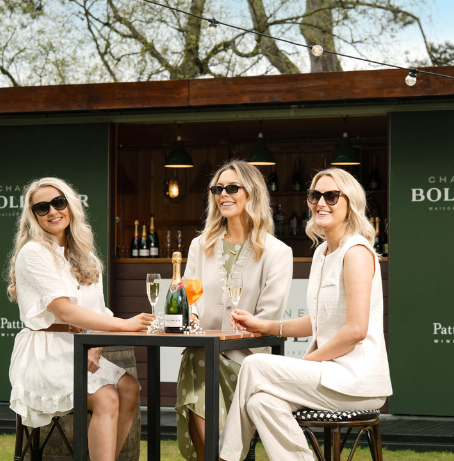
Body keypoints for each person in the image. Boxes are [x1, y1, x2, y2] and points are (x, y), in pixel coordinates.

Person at [219, 167, 392, 461]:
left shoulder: (357, 252)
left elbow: (356, 331)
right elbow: (319, 321)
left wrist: (308, 362)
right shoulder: (322, 252)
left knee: (254, 365)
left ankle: (225, 457)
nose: (321, 202)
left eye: (331, 196)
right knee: (261, 402)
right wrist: (263, 324)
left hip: (357, 380)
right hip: (330, 376)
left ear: (350, 203)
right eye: (315, 195)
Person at [7, 177, 154, 461]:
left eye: (58, 203)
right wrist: (124, 325)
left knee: (130, 387)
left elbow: (97, 313)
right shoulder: (34, 252)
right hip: (44, 353)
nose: (52, 211)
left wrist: (95, 347)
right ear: (33, 215)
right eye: (42, 207)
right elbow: (63, 311)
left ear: (70, 206)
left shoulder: (85, 256)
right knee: (107, 396)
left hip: (79, 347)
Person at [176, 160, 293, 460]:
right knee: (197, 356)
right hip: (204, 352)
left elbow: (268, 318)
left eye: (231, 188)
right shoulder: (200, 245)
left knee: (197, 359)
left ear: (251, 193)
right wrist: (191, 315)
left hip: (247, 359)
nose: (223, 195)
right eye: (217, 189)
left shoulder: (277, 252)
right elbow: (189, 298)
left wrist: (244, 325)